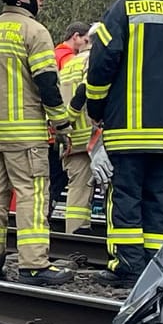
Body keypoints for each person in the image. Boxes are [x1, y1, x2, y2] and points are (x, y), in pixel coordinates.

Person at [82, 0, 163, 286]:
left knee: (126, 197)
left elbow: (101, 66)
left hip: (128, 127)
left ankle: (128, 267)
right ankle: (157, 271)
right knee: (161, 200)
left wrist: (96, 108)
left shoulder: (122, 9)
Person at [0, 0, 73, 286]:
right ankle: (33, 265)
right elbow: (47, 84)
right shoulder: (35, 33)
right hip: (25, 136)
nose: (42, 0)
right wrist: (63, 124)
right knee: (31, 196)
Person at [49, 20, 93, 217]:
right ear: (77, 37)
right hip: (87, 134)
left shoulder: (62, 62)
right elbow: (85, 91)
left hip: (65, 136)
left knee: (71, 187)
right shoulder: (74, 59)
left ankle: (70, 232)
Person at [56, 40, 98, 234]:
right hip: (93, 136)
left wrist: (63, 125)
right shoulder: (94, 60)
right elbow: (86, 89)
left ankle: (74, 236)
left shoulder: (69, 64)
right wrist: (71, 116)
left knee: (78, 190)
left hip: (72, 138)